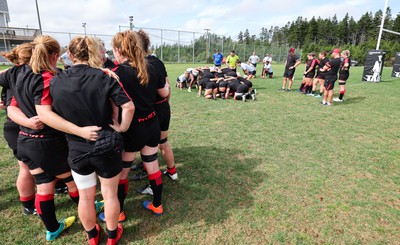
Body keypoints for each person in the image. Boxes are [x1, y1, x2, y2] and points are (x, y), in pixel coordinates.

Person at [36, 35, 135, 245]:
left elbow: (46, 112)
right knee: (109, 195)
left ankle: (92, 236)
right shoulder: (105, 76)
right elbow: (129, 106)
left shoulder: (56, 80)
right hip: (106, 143)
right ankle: (111, 235)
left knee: (86, 197)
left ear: (70, 55)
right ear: (93, 53)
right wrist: (122, 128)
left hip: (77, 148)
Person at [7, 35, 77, 241]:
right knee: (71, 180)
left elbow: (12, 107)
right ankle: (88, 206)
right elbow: (49, 112)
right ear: (54, 56)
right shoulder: (48, 77)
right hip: (47, 141)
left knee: (44, 182)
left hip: (25, 139)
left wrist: (27, 122)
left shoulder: (20, 75)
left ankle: (52, 228)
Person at [108, 30, 169, 218]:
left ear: (119, 50)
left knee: (123, 172)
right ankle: (157, 205)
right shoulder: (150, 67)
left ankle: (119, 213)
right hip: (151, 124)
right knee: (152, 164)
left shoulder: (117, 74)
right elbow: (164, 93)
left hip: (131, 129)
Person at [134, 30, 178, 196]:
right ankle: (172, 171)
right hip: (163, 107)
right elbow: (167, 87)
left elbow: (162, 90)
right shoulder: (157, 61)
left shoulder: (142, 65)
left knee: (150, 148)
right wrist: (166, 104)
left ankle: (151, 181)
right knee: (163, 142)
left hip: (152, 111)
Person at [0, 43, 37, 215]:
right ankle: (29, 205)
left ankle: (30, 204)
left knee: (29, 165)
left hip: (13, 126)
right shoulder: (31, 72)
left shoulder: (11, 73)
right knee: (27, 167)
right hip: (22, 125)